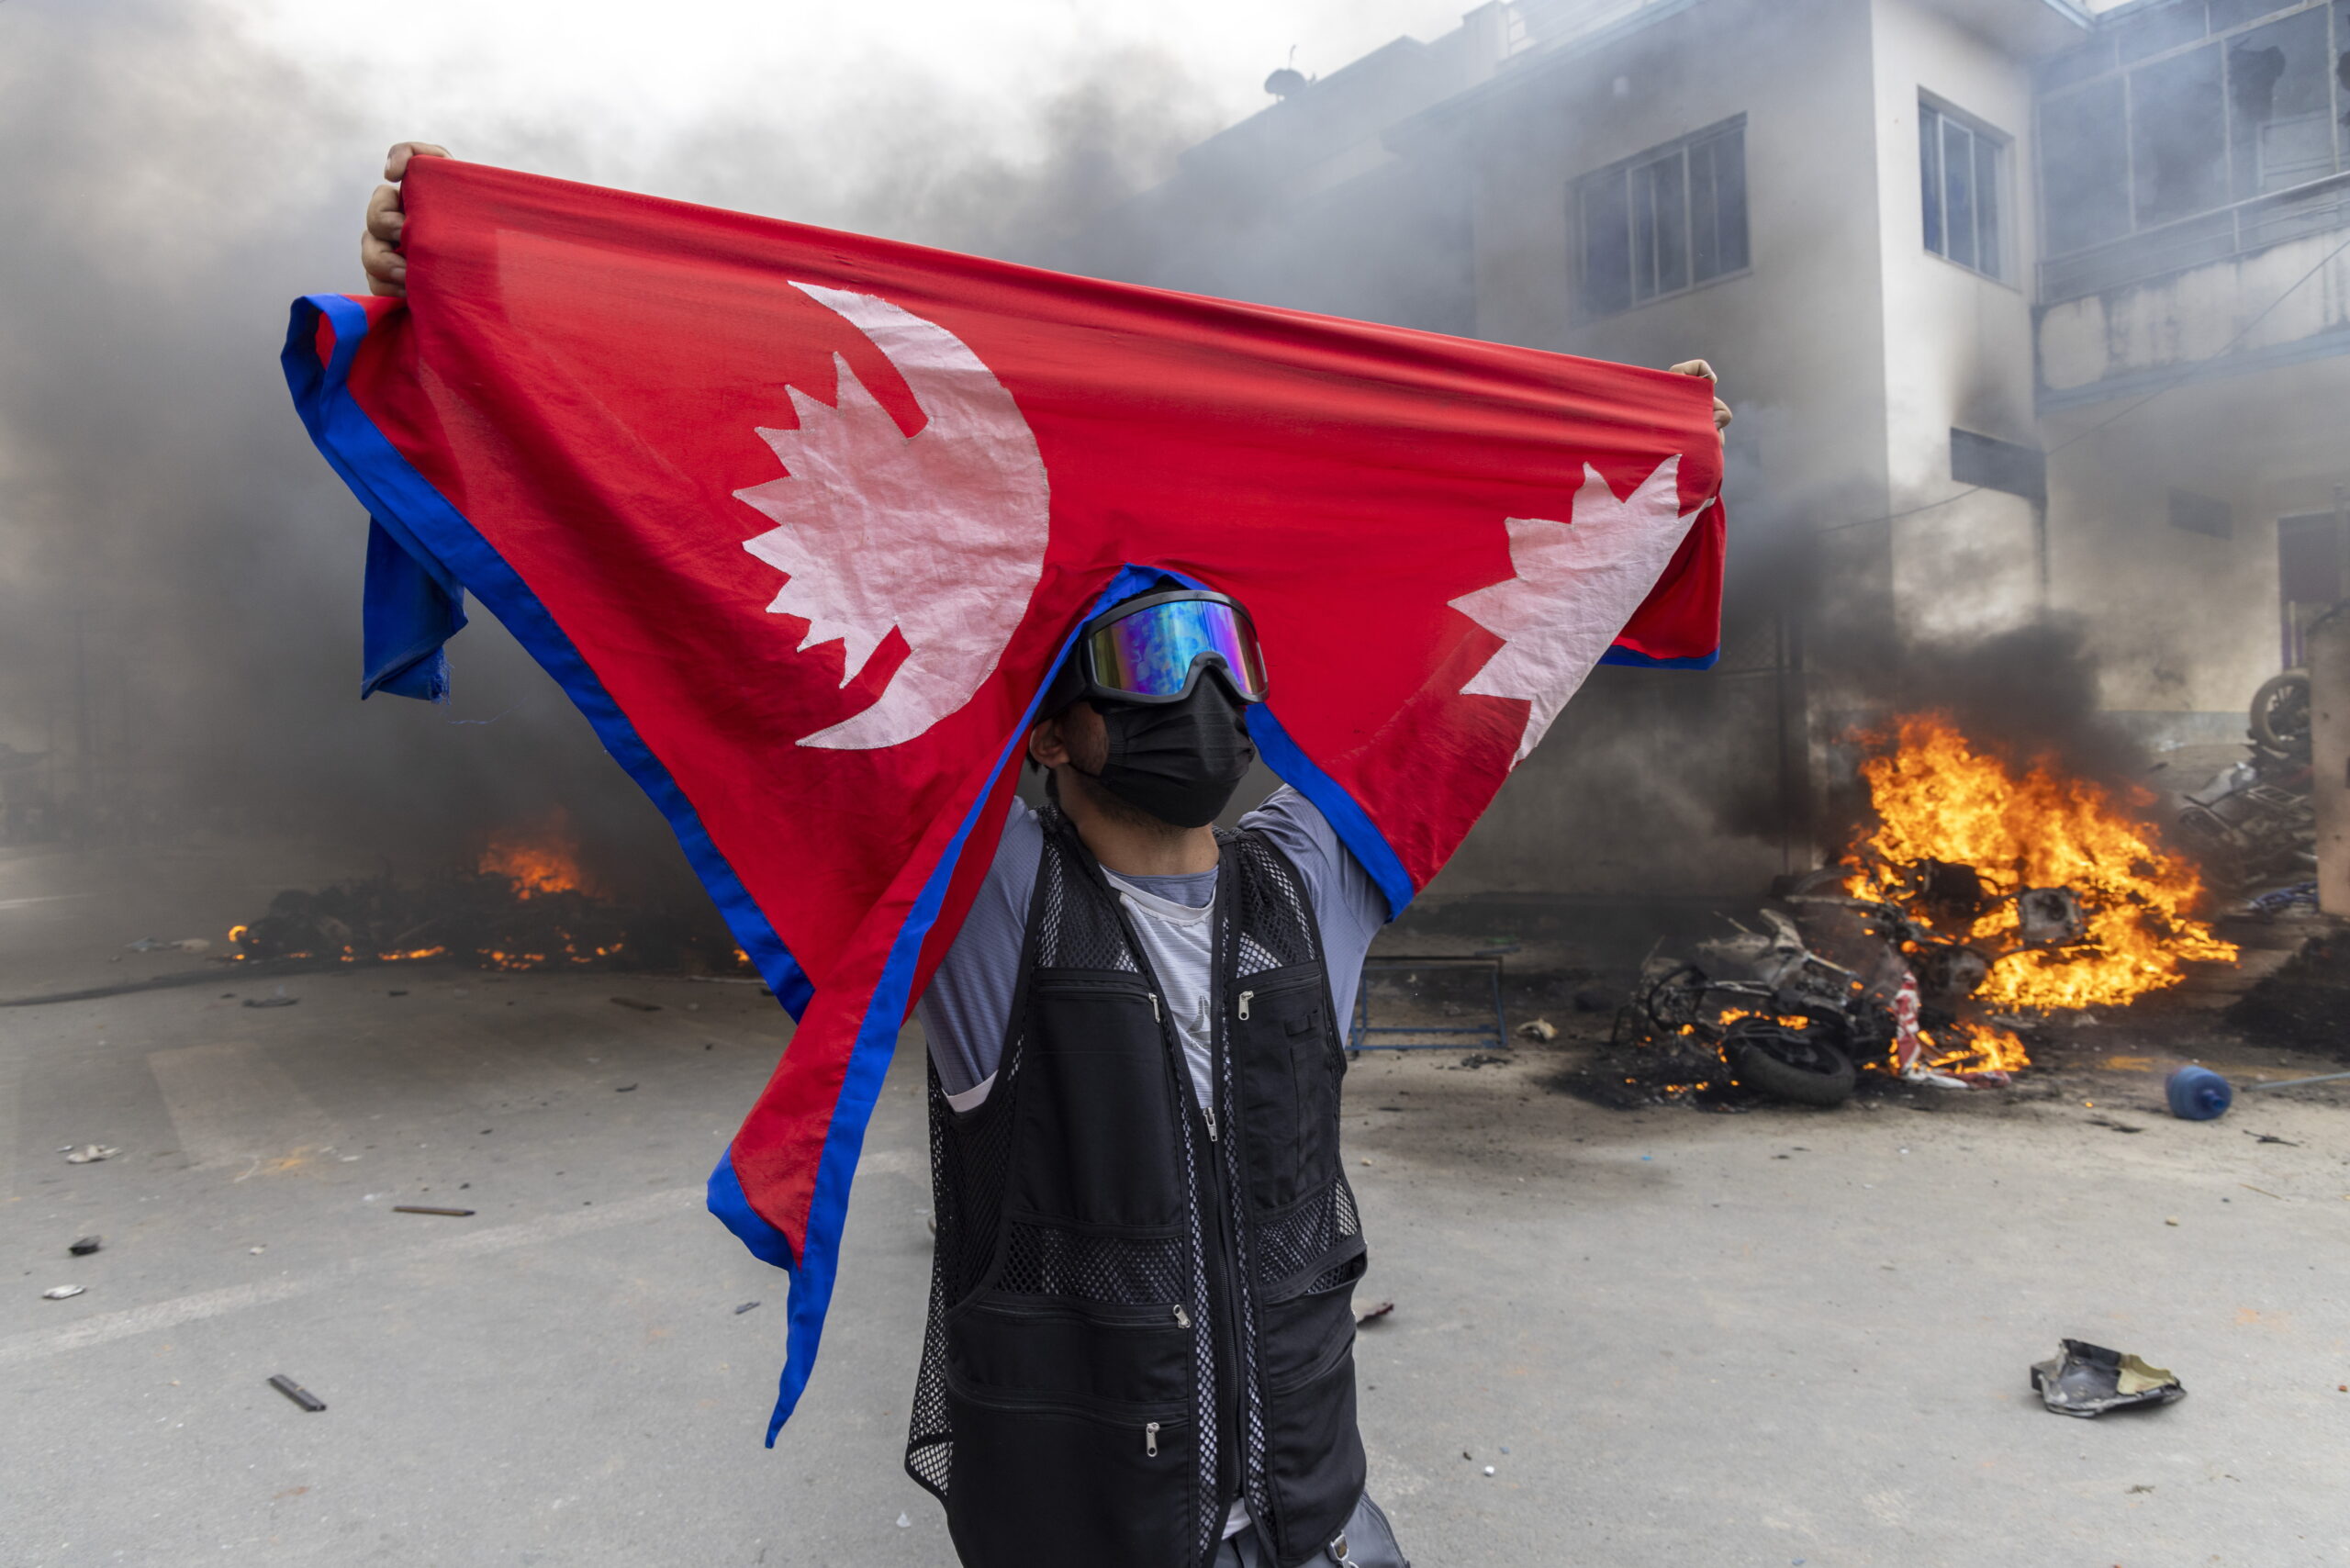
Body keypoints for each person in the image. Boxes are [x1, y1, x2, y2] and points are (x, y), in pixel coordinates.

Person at [362, 144, 1729, 1568]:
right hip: (1093, 1534)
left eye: (1225, 653)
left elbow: (1499, 663)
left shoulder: (1308, 883)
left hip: (1320, 1522)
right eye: (1149, 658)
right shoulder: (994, 908)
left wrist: (1652, 470)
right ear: (1052, 733)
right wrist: (484, 299)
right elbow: (715, 597)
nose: (1200, 691)